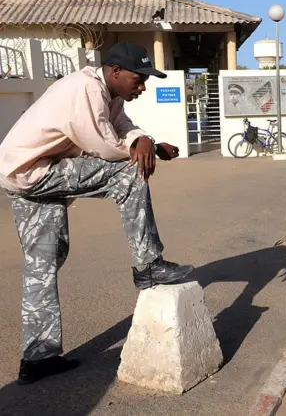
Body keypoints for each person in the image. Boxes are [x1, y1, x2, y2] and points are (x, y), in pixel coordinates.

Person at [0, 41, 194, 385]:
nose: (143, 86)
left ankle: (38, 357)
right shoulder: (85, 89)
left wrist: (143, 138)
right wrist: (144, 145)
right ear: (116, 71)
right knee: (129, 172)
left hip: (22, 174)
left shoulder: (110, 93)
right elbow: (103, 146)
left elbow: (122, 127)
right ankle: (149, 265)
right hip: (33, 171)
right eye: (138, 79)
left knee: (43, 261)